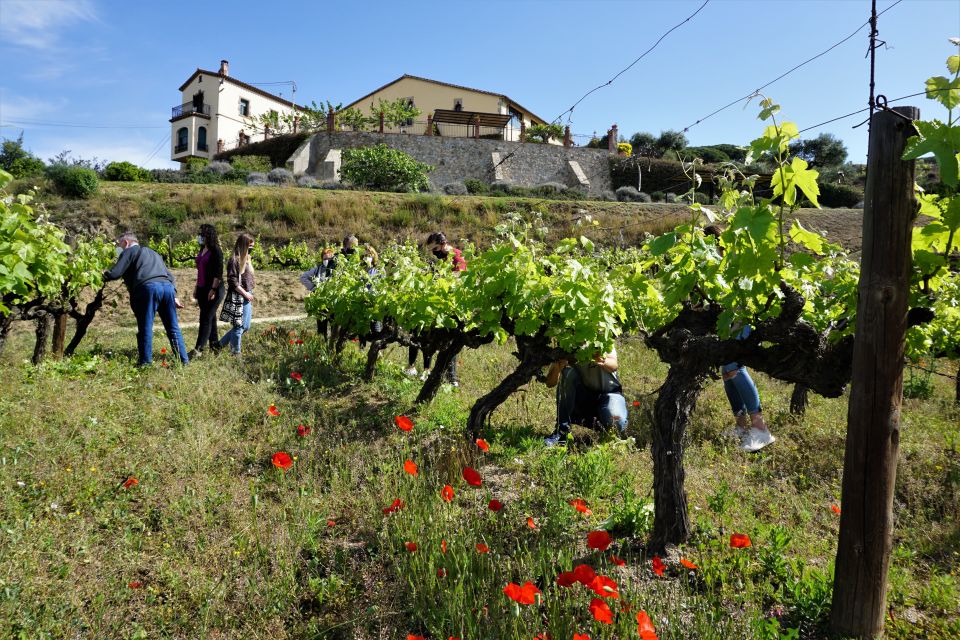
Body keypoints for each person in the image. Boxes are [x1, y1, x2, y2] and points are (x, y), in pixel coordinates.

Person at [703, 224, 775, 453]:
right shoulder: (713, 264)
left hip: (742, 318)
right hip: (728, 320)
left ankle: (761, 429)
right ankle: (741, 426)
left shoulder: (733, 260)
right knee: (727, 372)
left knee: (734, 366)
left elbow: (744, 291)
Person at [103, 232, 189, 366]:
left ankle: (145, 363)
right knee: (173, 327)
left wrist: (100, 275)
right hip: (167, 288)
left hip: (148, 288)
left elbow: (115, 273)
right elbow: (170, 276)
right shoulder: (154, 253)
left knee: (146, 327)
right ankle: (184, 361)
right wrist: (175, 296)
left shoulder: (128, 251)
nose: (118, 248)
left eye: (119, 244)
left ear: (126, 243)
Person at [404, 231, 465, 385]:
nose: (434, 253)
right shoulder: (443, 259)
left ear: (443, 244)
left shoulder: (456, 257)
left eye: (435, 249)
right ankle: (444, 377)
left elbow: (459, 282)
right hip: (443, 305)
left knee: (450, 343)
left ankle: (452, 380)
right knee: (442, 342)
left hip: (454, 305)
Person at [543, 349, 628, 447]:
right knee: (568, 372)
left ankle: (609, 434)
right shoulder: (566, 344)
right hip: (584, 399)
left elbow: (613, 366)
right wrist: (558, 368)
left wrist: (598, 358)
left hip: (609, 394)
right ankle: (561, 432)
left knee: (617, 423)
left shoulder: (600, 338)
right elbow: (550, 383)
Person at [189, 224, 224, 358]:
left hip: (214, 289)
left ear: (208, 235)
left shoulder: (216, 251)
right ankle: (215, 347)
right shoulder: (202, 249)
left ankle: (198, 350)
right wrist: (197, 287)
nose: (200, 236)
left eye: (202, 234)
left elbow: (218, 273)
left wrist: (213, 289)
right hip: (202, 288)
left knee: (205, 318)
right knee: (211, 318)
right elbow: (200, 271)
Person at [218, 233, 256, 355]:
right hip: (239, 296)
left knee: (245, 326)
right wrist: (245, 294)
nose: (251, 249)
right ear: (243, 245)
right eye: (250, 246)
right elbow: (232, 282)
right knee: (239, 327)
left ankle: (219, 345)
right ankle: (235, 353)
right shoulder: (234, 260)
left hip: (247, 294)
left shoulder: (246, 259)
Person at [300, 246, 337, 336]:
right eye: (324, 258)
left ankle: (333, 347)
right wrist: (313, 287)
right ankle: (321, 347)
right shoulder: (317, 269)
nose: (326, 260)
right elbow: (303, 277)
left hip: (333, 302)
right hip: (320, 302)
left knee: (334, 328)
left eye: (328, 258)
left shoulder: (336, 270)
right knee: (321, 328)